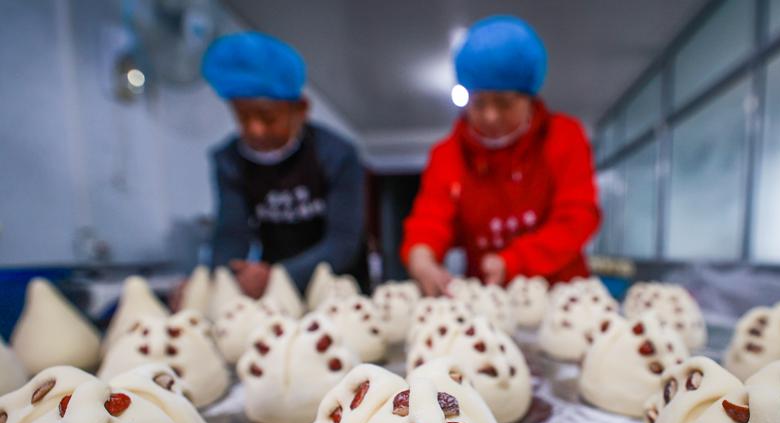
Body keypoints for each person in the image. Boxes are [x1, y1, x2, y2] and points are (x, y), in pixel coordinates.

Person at [401, 15, 600, 296]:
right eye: (478, 103)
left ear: (529, 96)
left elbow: (577, 217)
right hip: (486, 299)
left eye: (505, 103)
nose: (490, 116)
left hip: (563, 295)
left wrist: (514, 261)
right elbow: (430, 219)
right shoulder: (448, 155)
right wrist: (421, 258)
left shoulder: (563, 137)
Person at [197, 32, 366, 299]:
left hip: (339, 290)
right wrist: (215, 282)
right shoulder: (229, 160)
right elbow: (231, 235)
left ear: (300, 109)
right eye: (242, 116)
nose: (255, 130)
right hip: (274, 295)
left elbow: (343, 242)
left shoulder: (336, 155)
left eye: (268, 118)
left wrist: (278, 276)